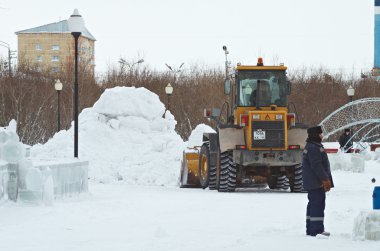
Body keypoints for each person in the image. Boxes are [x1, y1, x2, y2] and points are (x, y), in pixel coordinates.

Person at [302, 126, 334, 237]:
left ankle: (311, 229)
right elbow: (317, 166)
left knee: (313, 204)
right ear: (316, 135)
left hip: (314, 182)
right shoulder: (313, 148)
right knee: (317, 204)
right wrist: (325, 179)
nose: (322, 136)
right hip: (315, 182)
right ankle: (316, 230)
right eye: (320, 134)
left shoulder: (313, 146)